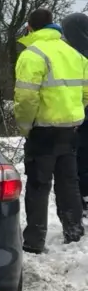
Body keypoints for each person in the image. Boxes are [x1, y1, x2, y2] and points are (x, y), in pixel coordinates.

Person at [14, 8, 86, 253]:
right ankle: (74, 232)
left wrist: (25, 126)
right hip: (70, 129)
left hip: (42, 130)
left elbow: (25, 97)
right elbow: (86, 92)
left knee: (38, 184)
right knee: (69, 183)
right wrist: (74, 113)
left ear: (30, 27)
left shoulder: (32, 54)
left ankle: (34, 241)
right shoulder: (73, 53)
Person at [60, 12, 88, 220]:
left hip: (79, 114)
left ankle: (82, 197)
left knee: (80, 157)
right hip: (80, 112)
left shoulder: (74, 53)